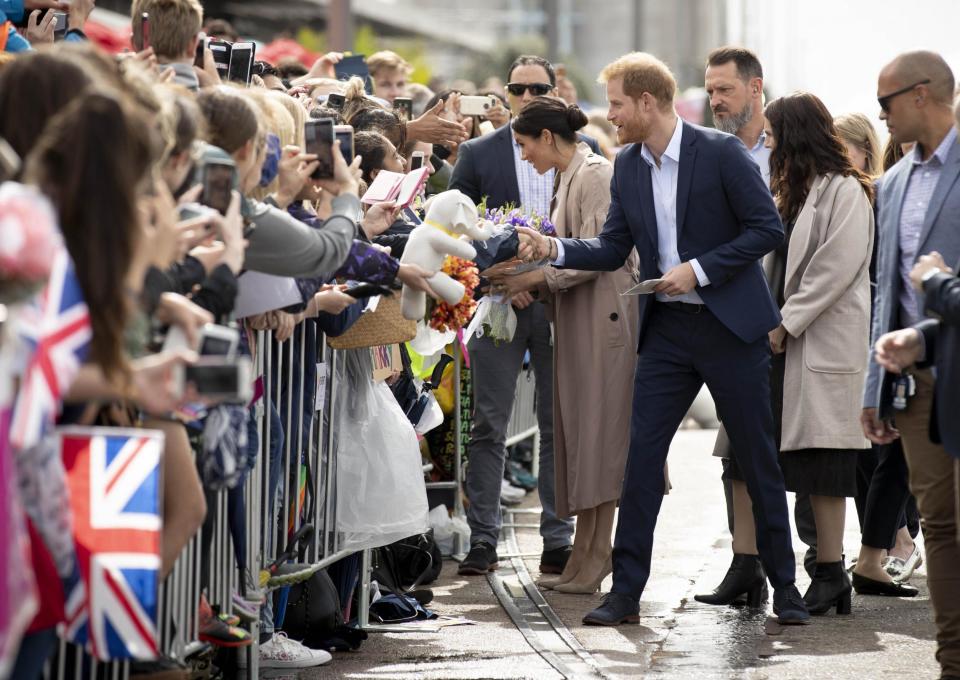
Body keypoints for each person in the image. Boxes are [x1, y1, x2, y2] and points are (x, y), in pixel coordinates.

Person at [517, 51, 809, 626]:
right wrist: (552, 247)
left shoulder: (721, 153)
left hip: (731, 328)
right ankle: (625, 594)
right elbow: (608, 247)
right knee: (641, 460)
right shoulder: (625, 164)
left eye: (618, 104)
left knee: (757, 457)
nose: (610, 114)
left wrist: (698, 270)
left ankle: (786, 588)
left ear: (647, 102)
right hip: (668, 331)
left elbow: (766, 229)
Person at [488, 96, 639, 594]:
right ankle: (586, 551)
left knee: (601, 437)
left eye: (526, 143)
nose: (524, 154)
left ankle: (599, 552)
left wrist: (536, 275)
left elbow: (601, 253)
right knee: (583, 435)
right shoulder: (569, 173)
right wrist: (528, 271)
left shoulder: (593, 173)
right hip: (579, 314)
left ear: (547, 138)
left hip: (603, 315)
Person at [449, 55, 585, 578]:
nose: (526, 96)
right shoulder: (479, 152)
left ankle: (557, 537)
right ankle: (482, 538)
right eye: (517, 87)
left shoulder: (579, 156)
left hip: (557, 301)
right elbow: (456, 229)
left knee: (556, 424)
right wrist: (500, 276)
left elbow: (587, 233)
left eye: (537, 88)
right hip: (498, 304)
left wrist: (540, 278)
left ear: (555, 93)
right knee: (488, 424)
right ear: (505, 93)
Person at [748, 93, 876, 616]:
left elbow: (835, 267)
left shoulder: (844, 190)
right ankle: (820, 569)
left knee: (825, 462)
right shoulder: (794, 190)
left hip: (818, 339)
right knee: (796, 459)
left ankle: (831, 572)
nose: (769, 143)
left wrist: (786, 323)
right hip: (789, 341)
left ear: (795, 134)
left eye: (775, 134)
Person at [862, 50, 960, 680]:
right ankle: (952, 662)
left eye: (886, 103)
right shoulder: (892, 181)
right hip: (915, 385)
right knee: (940, 525)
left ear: (921, 94)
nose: (882, 117)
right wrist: (876, 386)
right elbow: (886, 295)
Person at [130, 0, 204, 92]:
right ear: (193, 45)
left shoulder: (117, 94)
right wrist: (219, 87)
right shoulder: (213, 103)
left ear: (133, 43)